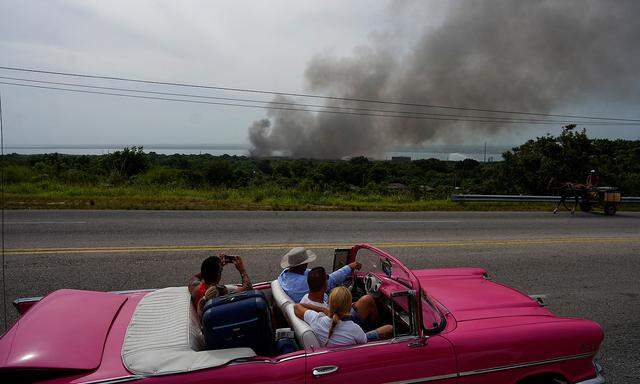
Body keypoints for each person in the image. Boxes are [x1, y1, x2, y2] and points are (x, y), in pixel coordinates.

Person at [294, 287, 393, 347]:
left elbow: (297, 306)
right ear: (349, 305)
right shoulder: (354, 328)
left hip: (336, 341)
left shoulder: (316, 320)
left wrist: (323, 310)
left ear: (329, 303)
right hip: (357, 342)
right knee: (389, 328)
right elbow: (363, 341)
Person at [300, 266, 383, 330]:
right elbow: (336, 323)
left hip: (337, 319)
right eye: (327, 278)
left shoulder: (306, 298)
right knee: (368, 300)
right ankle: (376, 326)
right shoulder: (321, 315)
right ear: (324, 285)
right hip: (341, 325)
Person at [277, 247, 360, 303]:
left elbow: (318, 276)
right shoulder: (304, 283)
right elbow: (330, 281)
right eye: (306, 263)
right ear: (303, 265)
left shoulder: (285, 274)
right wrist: (349, 267)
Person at [188, 254, 252, 316]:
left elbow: (194, 278)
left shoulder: (195, 289)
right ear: (219, 275)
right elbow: (248, 289)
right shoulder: (218, 292)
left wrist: (214, 268)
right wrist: (242, 270)